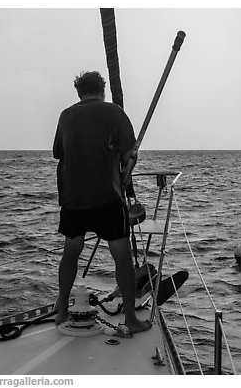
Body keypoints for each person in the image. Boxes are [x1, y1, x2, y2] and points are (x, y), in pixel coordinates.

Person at [53, 71, 151, 336]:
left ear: (79, 92)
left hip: (73, 199)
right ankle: (130, 318)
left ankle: (61, 310)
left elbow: (58, 153)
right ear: (102, 90)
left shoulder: (66, 115)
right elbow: (130, 155)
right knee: (121, 257)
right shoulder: (115, 113)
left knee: (71, 251)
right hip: (106, 198)